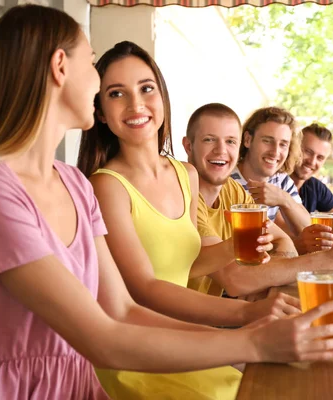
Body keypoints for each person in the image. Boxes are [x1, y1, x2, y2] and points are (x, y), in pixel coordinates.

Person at [0, 6, 333, 399]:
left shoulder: (73, 184)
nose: (98, 85)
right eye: (93, 64)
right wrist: (252, 340)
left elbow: (122, 310)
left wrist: (250, 325)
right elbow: (103, 336)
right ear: (61, 67)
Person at [76, 41, 312, 399]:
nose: (136, 104)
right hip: (139, 353)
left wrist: (233, 247)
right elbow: (144, 289)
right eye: (116, 93)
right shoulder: (107, 187)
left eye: (146, 88)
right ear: (102, 113)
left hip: (183, 339)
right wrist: (246, 316)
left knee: (287, 382)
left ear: (162, 98)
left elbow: (189, 266)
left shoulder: (184, 173)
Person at [183, 103, 333, 296]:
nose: (221, 150)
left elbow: (284, 240)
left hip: (215, 312)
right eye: (209, 140)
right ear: (188, 146)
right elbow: (235, 279)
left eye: (230, 141)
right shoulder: (183, 194)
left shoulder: (233, 190)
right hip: (184, 322)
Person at [230, 107, 310, 237]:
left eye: (283, 144)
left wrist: (284, 199)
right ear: (247, 140)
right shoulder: (226, 179)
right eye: (267, 141)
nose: (275, 152)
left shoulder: (281, 180)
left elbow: (308, 230)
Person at [290, 123, 333, 254]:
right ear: (294, 147)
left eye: (320, 158)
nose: (312, 161)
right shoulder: (276, 182)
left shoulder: (314, 186)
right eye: (308, 152)